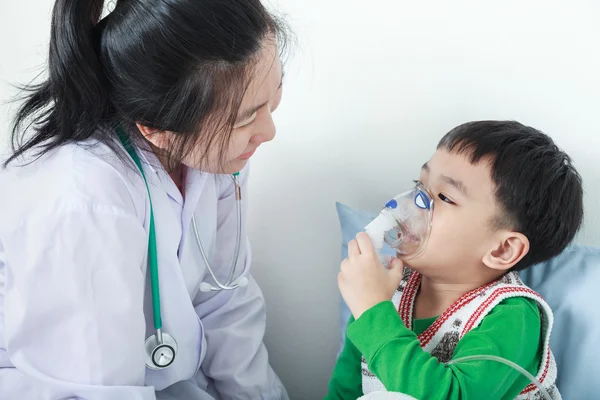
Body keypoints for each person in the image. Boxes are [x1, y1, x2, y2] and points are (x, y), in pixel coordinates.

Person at [0, 0, 290, 399]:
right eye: (245, 117)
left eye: (275, 97)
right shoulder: (83, 202)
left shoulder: (217, 156)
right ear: (155, 128)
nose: (268, 131)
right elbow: (95, 389)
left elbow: (225, 300)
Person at [325, 121, 584, 399]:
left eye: (444, 197)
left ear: (502, 250)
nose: (415, 202)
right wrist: (371, 307)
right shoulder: (382, 291)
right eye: (420, 185)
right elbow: (346, 389)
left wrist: (373, 311)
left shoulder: (512, 317)